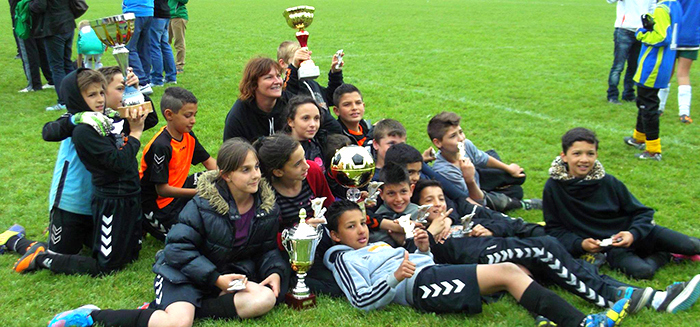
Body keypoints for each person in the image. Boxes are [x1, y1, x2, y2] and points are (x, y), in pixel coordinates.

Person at [46, 139, 287, 327]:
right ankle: (93, 315)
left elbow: (267, 249)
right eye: (245, 170)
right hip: (182, 274)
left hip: (223, 278)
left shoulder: (266, 206)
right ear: (225, 175)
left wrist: (274, 272)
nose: (255, 175)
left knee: (264, 299)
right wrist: (215, 278)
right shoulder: (202, 205)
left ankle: (183, 308)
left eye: (256, 167)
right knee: (178, 324)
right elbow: (177, 250)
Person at [411, 178, 700, 315]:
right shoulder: (421, 229)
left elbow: (504, 222)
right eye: (429, 200)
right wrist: (435, 236)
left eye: (440, 198)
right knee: (543, 249)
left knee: (552, 253)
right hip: (482, 262)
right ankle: (612, 297)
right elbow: (427, 263)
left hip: (497, 246)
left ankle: (642, 295)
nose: (437, 203)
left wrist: (486, 227)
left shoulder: (460, 213)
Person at [323, 199, 631, 327]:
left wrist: (422, 250)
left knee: (515, 271)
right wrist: (393, 278)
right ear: (335, 236)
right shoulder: (342, 258)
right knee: (509, 273)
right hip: (421, 288)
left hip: (430, 274)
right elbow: (361, 300)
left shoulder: (376, 243)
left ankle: (550, 316)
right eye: (351, 227)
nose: (361, 230)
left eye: (362, 223)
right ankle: (583, 323)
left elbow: (418, 264)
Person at [9, 69, 146, 276]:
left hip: (100, 198)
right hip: (70, 200)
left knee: (106, 250)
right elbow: (49, 131)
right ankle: (17, 241)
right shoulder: (79, 120)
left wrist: (133, 92)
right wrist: (75, 119)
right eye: (118, 88)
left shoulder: (109, 118)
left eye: (102, 93)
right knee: (60, 252)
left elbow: (147, 120)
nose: (100, 98)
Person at [545, 127, 700, 281]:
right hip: (612, 246)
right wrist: (581, 244)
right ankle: (665, 254)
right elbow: (554, 229)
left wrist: (633, 233)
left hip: (635, 232)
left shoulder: (608, 182)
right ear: (564, 156)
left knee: (692, 245)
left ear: (596, 155)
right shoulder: (553, 187)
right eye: (577, 153)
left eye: (590, 153)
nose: (584, 159)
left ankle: (669, 248)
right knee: (643, 272)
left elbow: (643, 212)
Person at [139, 87, 217, 241]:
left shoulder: (188, 135)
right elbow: (162, 190)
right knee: (188, 238)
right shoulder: (161, 146)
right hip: (157, 205)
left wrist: (229, 178)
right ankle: (142, 223)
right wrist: (199, 193)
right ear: (169, 115)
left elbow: (209, 162)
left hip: (179, 190)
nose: (193, 120)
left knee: (212, 179)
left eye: (195, 115)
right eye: (188, 116)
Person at [428, 111, 540, 212]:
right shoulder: (445, 171)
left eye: (460, 132)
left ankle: (502, 193)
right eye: (453, 136)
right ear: (438, 143)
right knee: (505, 198)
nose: (461, 138)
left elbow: (483, 159)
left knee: (519, 179)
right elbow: (472, 201)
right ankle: (521, 204)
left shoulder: (466, 144)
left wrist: (508, 168)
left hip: (478, 179)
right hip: (473, 192)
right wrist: (469, 179)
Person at [622, 0, 682, 160]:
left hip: (653, 64)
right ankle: (638, 138)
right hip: (664, 61)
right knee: (643, 100)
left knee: (648, 104)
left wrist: (641, 33)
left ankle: (653, 150)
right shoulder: (674, 5)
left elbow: (662, 37)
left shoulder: (662, 9)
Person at [254, 134, 334, 231]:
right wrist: (302, 230)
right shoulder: (266, 193)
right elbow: (270, 236)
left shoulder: (313, 171)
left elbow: (331, 207)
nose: (306, 166)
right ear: (278, 172)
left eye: (304, 157)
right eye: (297, 164)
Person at [278, 42, 344, 134]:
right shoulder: (284, 87)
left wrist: (335, 73)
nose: (304, 62)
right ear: (282, 63)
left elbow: (332, 98)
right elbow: (290, 90)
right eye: (299, 60)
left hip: (329, 135)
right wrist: (294, 67)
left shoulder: (310, 83)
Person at [657, 0, 700, 123]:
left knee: (667, 73)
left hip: (672, 35)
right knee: (683, 74)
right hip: (692, 36)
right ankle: (684, 113)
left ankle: (658, 108)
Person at [606, 0, 656, 104]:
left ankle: (628, 94)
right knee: (618, 66)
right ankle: (612, 95)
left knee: (634, 66)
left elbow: (652, 8)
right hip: (624, 30)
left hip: (641, 32)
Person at [29, 0, 76, 111]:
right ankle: (75, 97)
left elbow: (40, 5)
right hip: (68, 22)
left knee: (57, 66)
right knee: (67, 63)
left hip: (54, 26)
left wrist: (29, 4)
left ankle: (63, 101)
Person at [283, 95, 327, 171]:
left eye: (316, 118)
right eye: (306, 118)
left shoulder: (318, 144)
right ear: (291, 122)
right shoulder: (283, 151)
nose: (313, 124)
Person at [123, 0, 155, 95]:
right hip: (148, 11)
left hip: (134, 10)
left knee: (129, 48)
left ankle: (141, 81)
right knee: (144, 48)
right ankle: (146, 79)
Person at [149, 0, 177, 86]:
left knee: (154, 46)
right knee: (165, 45)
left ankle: (157, 79)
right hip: (165, 13)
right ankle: (171, 76)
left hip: (156, 13)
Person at [168, 0, 187, 74]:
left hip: (178, 16)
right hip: (166, 16)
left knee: (179, 42)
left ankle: (179, 66)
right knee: (165, 42)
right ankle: (165, 64)